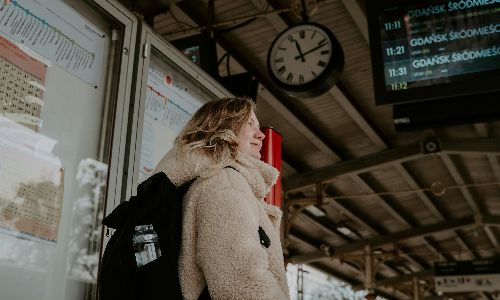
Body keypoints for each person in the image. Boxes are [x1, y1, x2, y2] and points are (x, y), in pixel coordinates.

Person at [154, 97, 290, 300]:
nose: (261, 135)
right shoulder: (225, 184)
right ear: (222, 128)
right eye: (250, 124)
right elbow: (243, 286)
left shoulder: (205, 182)